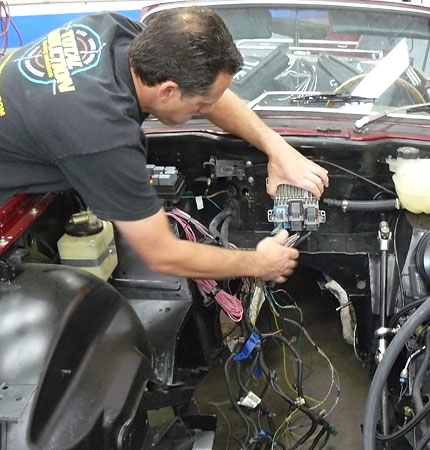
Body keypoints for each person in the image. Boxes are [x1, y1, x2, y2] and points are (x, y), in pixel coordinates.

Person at [0, 7, 329, 283]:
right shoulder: (102, 135)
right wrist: (259, 264)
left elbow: (212, 96)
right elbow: (161, 255)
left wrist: (277, 147)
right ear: (168, 92)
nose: (207, 112)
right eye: (200, 106)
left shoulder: (116, 32)